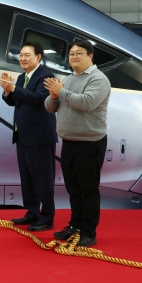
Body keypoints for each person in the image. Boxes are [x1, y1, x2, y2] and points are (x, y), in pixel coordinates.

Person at [44, 38, 111, 247]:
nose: (73, 56)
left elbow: (87, 103)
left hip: (89, 143)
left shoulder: (98, 79)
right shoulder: (69, 78)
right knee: (74, 190)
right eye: (71, 53)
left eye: (79, 53)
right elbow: (49, 107)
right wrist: (54, 95)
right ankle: (76, 225)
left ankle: (89, 232)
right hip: (69, 142)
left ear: (90, 56)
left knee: (88, 190)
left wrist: (61, 91)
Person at [0, 41, 58, 232]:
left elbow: (40, 100)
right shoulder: (21, 77)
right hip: (23, 136)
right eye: (21, 55)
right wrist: (7, 91)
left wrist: (14, 89)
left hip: (40, 137)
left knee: (43, 178)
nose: (22, 59)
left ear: (38, 57)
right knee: (27, 177)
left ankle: (47, 216)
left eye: (27, 55)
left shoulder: (46, 76)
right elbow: (15, 102)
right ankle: (32, 211)